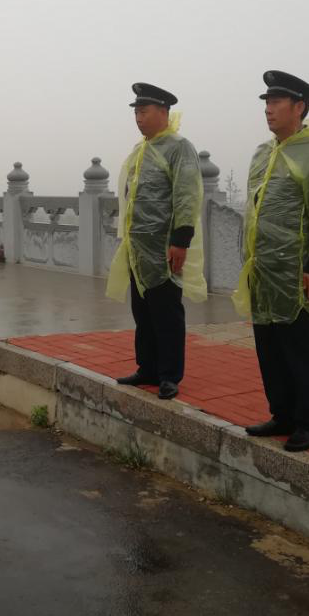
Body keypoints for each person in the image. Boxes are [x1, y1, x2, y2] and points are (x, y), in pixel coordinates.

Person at [238, 71, 309, 453]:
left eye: (276, 102)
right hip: (263, 270)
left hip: (297, 271)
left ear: (299, 106)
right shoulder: (262, 153)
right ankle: (281, 413)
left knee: (304, 348)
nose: (268, 109)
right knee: (270, 347)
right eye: (266, 102)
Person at [106, 83, 206, 401]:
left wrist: (180, 240)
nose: (138, 117)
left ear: (163, 112)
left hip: (164, 248)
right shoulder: (142, 149)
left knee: (167, 313)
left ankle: (169, 375)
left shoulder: (179, 148)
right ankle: (147, 367)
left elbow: (186, 194)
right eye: (136, 112)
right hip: (138, 249)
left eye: (144, 111)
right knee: (143, 312)